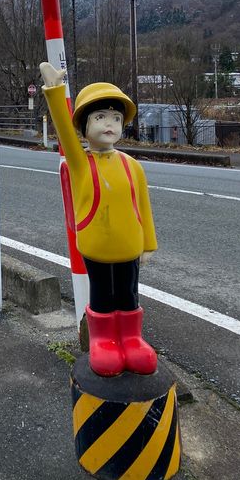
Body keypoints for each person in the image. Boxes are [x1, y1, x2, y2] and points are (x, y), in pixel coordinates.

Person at [40, 63, 158, 377]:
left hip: (130, 245)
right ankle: (103, 342)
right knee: (103, 294)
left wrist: (149, 244)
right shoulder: (81, 163)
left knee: (129, 293)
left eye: (116, 118)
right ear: (85, 124)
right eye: (101, 117)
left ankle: (132, 339)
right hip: (97, 246)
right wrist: (54, 91)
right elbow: (63, 131)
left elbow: (142, 205)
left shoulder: (132, 165)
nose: (110, 124)